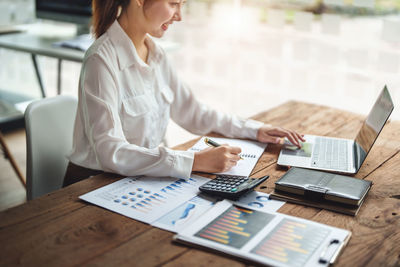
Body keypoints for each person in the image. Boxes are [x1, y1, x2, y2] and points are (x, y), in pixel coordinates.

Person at [63, 0, 305, 186]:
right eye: (172, 3)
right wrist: (195, 162)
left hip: (137, 178)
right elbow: (110, 151)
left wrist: (254, 129)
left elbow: (194, 113)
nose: (179, 15)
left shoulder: (156, 54)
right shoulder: (101, 59)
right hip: (92, 184)